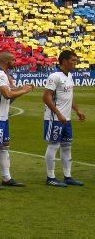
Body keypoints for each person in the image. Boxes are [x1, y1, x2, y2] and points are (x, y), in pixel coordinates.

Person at [0, 52, 34, 189]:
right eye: (13, 60)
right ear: (6, 61)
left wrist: (21, 88)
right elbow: (7, 94)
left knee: (4, 146)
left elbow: (8, 92)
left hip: (2, 115)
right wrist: (24, 91)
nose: (15, 62)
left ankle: (6, 178)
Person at [43, 50, 86, 187]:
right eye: (73, 60)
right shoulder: (54, 76)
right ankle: (51, 177)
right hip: (54, 118)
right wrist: (59, 114)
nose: (75, 63)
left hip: (66, 118)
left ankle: (68, 176)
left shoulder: (69, 76)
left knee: (67, 146)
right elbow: (46, 97)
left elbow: (69, 97)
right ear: (64, 61)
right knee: (54, 145)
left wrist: (77, 110)